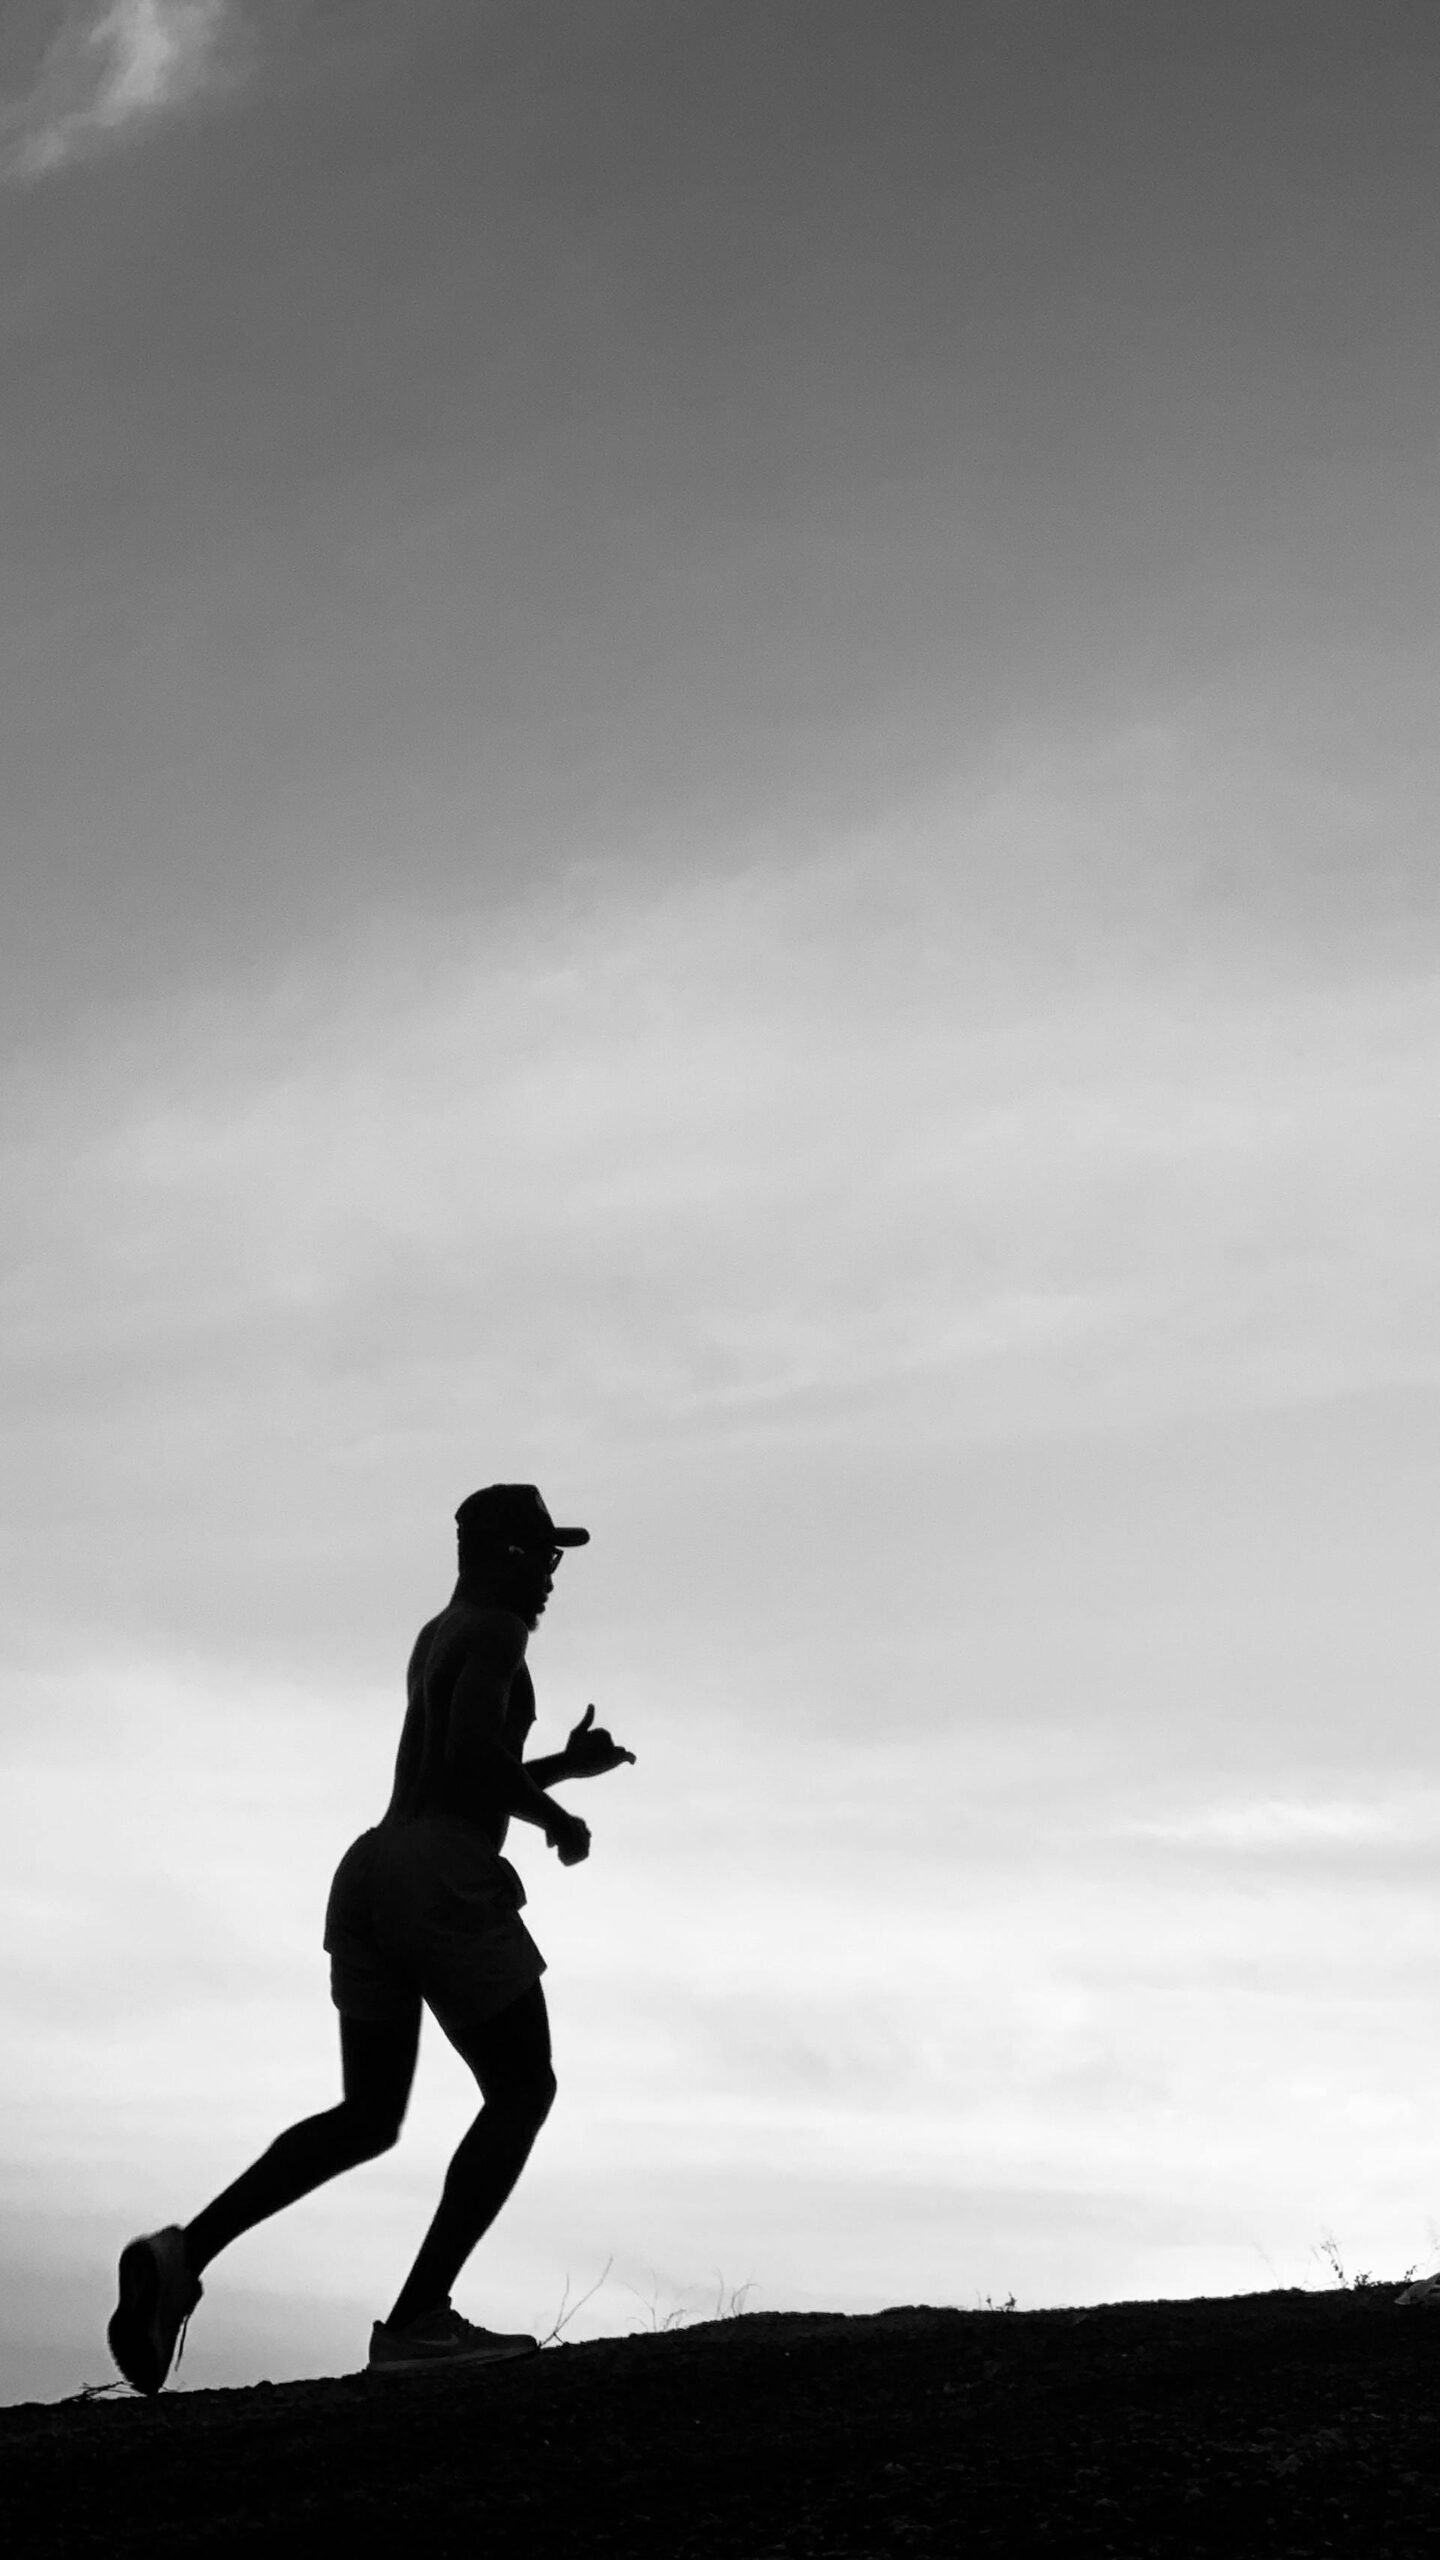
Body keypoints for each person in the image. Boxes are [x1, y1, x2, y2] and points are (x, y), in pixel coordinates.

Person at [107, 1483, 636, 2395]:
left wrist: (561, 1769)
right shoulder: (498, 1633)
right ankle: (419, 2319)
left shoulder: (442, 1632)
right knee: (523, 2089)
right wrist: (556, 1818)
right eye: (543, 1558)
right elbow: (473, 1767)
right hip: (440, 1874)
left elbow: (458, 1769)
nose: (552, 1579)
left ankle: (182, 2255)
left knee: (367, 2114)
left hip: (372, 1870)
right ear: (505, 1556)